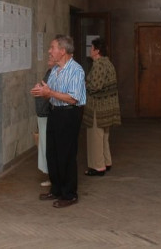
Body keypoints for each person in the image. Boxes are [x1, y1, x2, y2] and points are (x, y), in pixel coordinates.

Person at [30, 35, 86, 208]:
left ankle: (69, 195)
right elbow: (51, 93)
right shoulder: (55, 70)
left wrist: (50, 93)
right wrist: (42, 90)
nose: (49, 51)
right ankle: (56, 190)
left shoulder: (76, 70)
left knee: (66, 155)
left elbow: (73, 98)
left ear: (62, 51)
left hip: (69, 114)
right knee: (52, 153)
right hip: (55, 113)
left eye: (52, 47)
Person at [82, 38, 121, 176]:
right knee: (104, 137)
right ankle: (106, 162)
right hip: (108, 107)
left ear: (97, 51)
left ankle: (97, 167)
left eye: (91, 48)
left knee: (95, 138)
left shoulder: (98, 64)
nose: (90, 50)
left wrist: (83, 85)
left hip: (98, 108)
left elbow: (95, 86)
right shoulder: (108, 63)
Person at [34, 57, 55, 187]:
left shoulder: (55, 73)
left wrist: (41, 90)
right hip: (42, 113)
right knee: (44, 145)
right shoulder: (49, 72)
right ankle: (50, 175)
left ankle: (52, 177)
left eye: (52, 56)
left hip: (46, 113)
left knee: (47, 146)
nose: (49, 57)